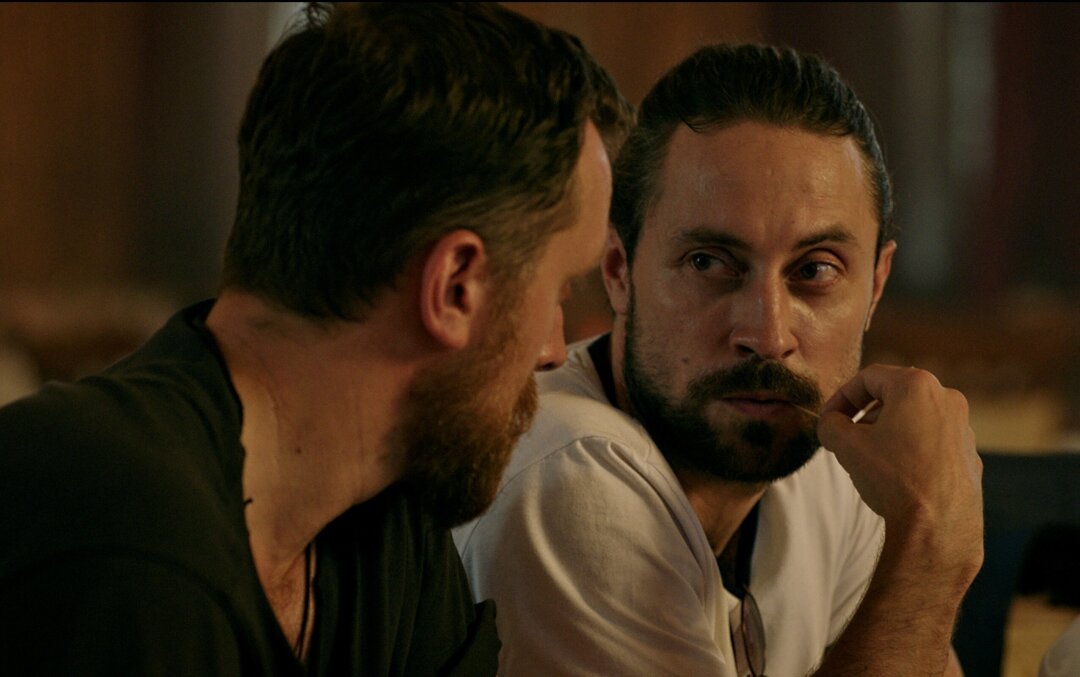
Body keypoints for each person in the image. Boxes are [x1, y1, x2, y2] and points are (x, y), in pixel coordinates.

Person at [0, 3, 633, 674]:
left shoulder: (392, 529)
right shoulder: (120, 539)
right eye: (560, 289)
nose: (554, 351)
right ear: (455, 285)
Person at [453, 42, 983, 676]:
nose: (768, 334)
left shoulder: (837, 462)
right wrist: (929, 548)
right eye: (708, 263)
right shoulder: (567, 471)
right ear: (619, 271)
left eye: (815, 270)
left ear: (874, 286)